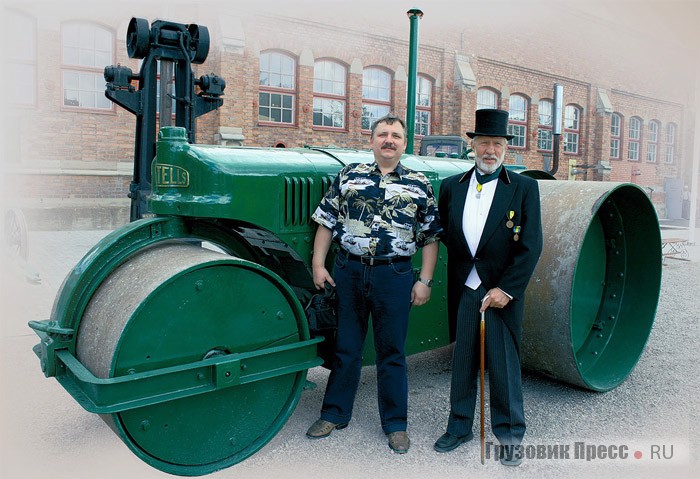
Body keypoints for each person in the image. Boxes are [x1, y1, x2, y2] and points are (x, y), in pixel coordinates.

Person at [306, 114, 442, 454]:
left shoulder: (419, 184)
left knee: (392, 352)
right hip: (349, 271)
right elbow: (326, 221)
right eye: (383, 134)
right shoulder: (349, 176)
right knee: (347, 347)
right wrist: (318, 264)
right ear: (372, 141)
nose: (389, 140)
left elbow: (430, 237)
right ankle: (334, 413)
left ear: (404, 143)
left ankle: (395, 424)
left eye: (396, 135)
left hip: (393, 275)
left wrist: (424, 280)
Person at [434, 109, 543, 466]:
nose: (490, 150)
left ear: (505, 149)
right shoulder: (451, 186)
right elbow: (448, 235)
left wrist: (505, 290)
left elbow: (531, 246)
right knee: (463, 358)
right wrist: (471, 274)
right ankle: (459, 425)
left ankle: (510, 434)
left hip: (500, 293)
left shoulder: (525, 188)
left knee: (503, 363)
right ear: (473, 145)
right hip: (467, 287)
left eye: (497, 143)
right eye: (484, 142)